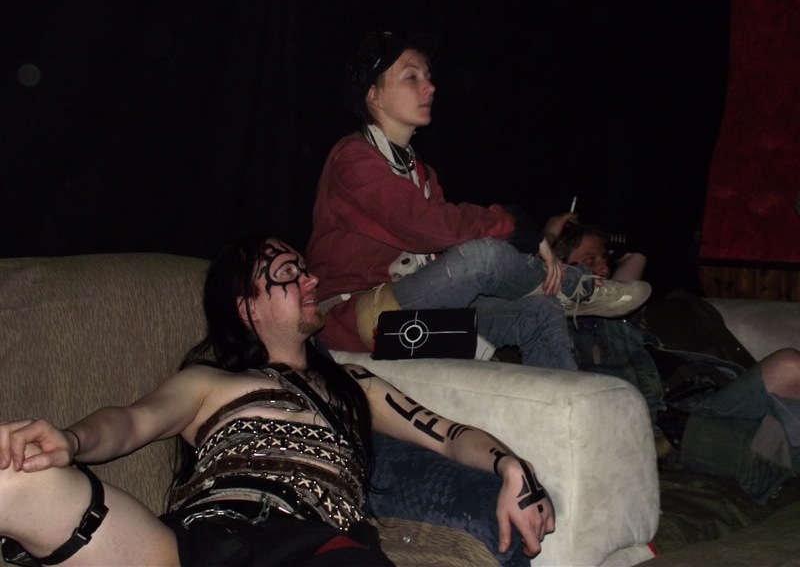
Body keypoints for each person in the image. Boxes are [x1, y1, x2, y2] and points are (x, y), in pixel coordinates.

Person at [0, 234, 555, 567]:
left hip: (319, 543)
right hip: (198, 541)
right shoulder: (209, 383)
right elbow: (130, 422)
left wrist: (510, 466)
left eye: (305, 270)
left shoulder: (354, 386)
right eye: (290, 274)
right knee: (16, 480)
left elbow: (450, 435)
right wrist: (69, 441)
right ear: (247, 305)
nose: (312, 281)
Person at [307, 31, 651, 370]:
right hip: (356, 316)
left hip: (412, 309)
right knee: (483, 256)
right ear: (374, 95)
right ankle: (576, 288)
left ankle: (566, 403)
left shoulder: (420, 173)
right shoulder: (352, 158)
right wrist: (516, 225)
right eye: (411, 77)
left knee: (541, 311)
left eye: (428, 76)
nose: (430, 87)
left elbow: (440, 249)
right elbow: (429, 228)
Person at [553, 220, 800, 502]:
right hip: (673, 426)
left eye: (605, 259)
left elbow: (637, 256)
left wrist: (610, 255)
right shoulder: (565, 327)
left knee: (789, 367)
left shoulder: (620, 310)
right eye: (589, 260)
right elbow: (536, 286)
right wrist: (548, 240)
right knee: (770, 439)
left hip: (712, 398)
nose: (603, 268)